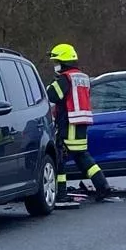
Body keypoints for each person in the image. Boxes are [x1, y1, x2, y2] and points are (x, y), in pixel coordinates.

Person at [46, 43, 115, 203]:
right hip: (81, 123)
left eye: (56, 62)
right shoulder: (83, 77)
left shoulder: (65, 78)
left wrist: (52, 84)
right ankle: (103, 186)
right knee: (82, 156)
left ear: (63, 61)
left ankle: (61, 193)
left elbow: (51, 95)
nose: (55, 65)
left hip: (68, 122)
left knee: (60, 158)